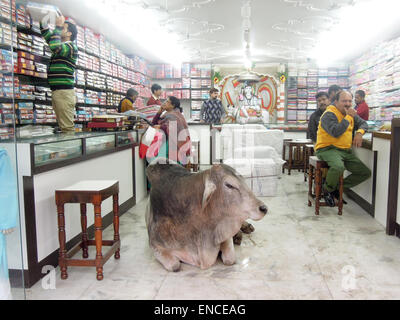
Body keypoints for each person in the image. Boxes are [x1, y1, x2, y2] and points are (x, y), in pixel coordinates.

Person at [315, 90, 371, 207]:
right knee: (338, 167)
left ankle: (335, 187)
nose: (348, 104)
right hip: (327, 148)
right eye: (344, 101)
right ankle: (327, 190)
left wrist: (359, 133)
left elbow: (364, 124)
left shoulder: (350, 113)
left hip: (345, 150)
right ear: (336, 102)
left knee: (364, 172)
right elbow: (336, 132)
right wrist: (348, 117)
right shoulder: (329, 114)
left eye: (350, 101)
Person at [40, 15, 78, 133]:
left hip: (64, 92)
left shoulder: (71, 47)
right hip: (58, 92)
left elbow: (55, 46)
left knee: (67, 127)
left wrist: (58, 25)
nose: (60, 30)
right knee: (64, 127)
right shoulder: (62, 47)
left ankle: (70, 150)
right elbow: (48, 36)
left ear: (69, 34)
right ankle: (67, 150)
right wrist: (43, 17)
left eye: (63, 28)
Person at [151, 96, 191, 165]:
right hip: (168, 140)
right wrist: (159, 112)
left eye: (167, 101)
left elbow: (173, 129)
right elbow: (153, 124)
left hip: (174, 143)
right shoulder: (167, 115)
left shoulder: (175, 115)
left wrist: (161, 127)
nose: (164, 103)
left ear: (173, 105)